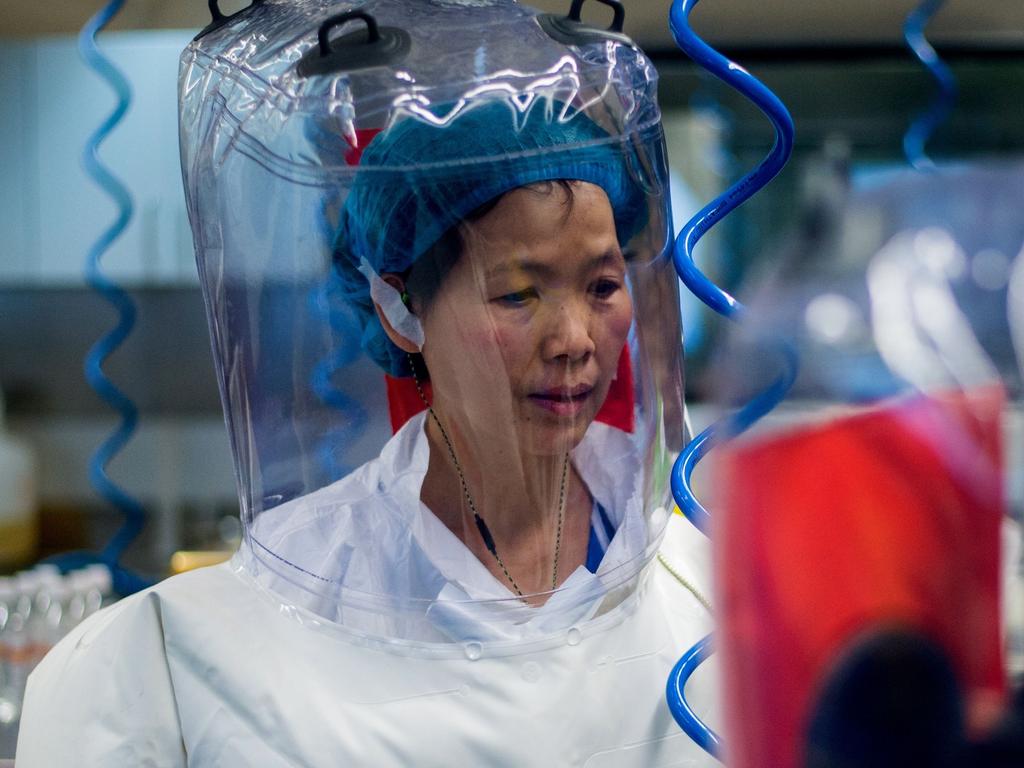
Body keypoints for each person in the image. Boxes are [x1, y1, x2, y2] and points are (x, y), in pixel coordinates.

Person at [17, 3, 719, 764]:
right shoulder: (279, 604)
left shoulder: (698, 567)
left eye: (603, 286)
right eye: (518, 294)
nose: (576, 340)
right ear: (399, 309)